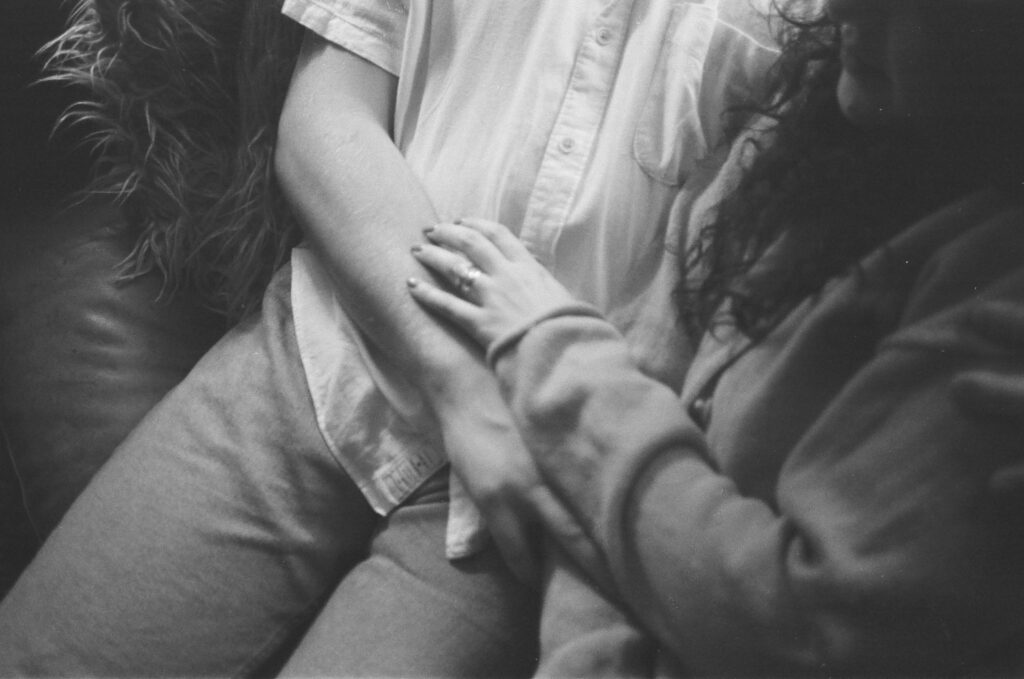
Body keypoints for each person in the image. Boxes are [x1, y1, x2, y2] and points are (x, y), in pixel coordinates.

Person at [0, 0, 779, 676]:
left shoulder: (842, 26)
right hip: (329, 343)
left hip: (538, 468)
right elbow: (322, 120)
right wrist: (464, 385)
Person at [405, 0, 1024, 674]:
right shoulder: (810, 103)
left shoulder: (996, 297)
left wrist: (552, 350)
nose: (840, 6)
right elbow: (652, 354)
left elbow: (794, 628)